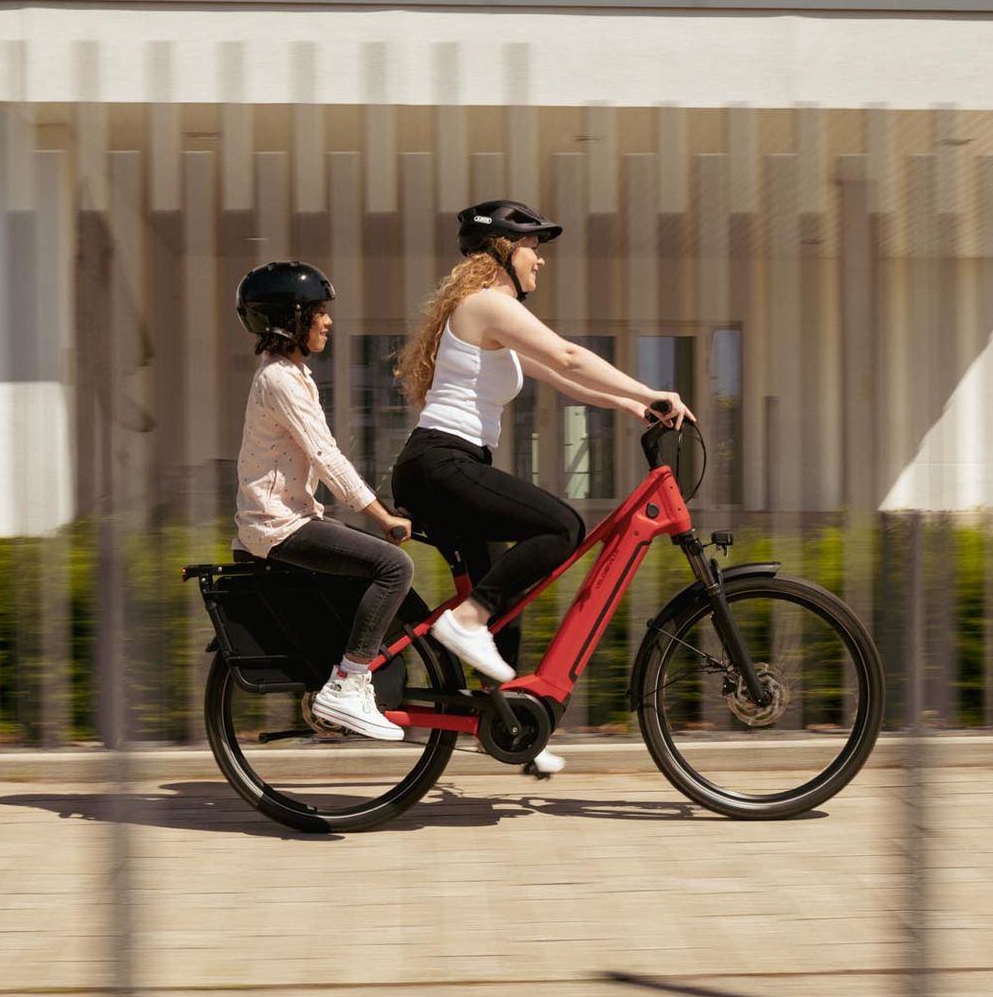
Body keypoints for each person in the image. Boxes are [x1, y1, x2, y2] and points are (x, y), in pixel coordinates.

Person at [390, 201, 693, 775]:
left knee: (505, 606)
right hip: (441, 464)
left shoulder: (491, 315)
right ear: (503, 250)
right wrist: (654, 391)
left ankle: (509, 727)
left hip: (445, 467)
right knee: (561, 526)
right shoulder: (486, 303)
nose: (541, 260)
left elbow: (558, 374)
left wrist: (630, 406)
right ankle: (465, 622)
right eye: (533, 247)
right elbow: (568, 355)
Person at [233, 260, 415, 742]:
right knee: (394, 567)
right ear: (289, 319)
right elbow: (326, 455)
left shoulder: (293, 374)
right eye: (318, 311)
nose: (328, 321)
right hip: (278, 526)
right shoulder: (279, 380)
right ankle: (348, 684)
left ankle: (352, 674)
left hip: (291, 519)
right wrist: (381, 517)